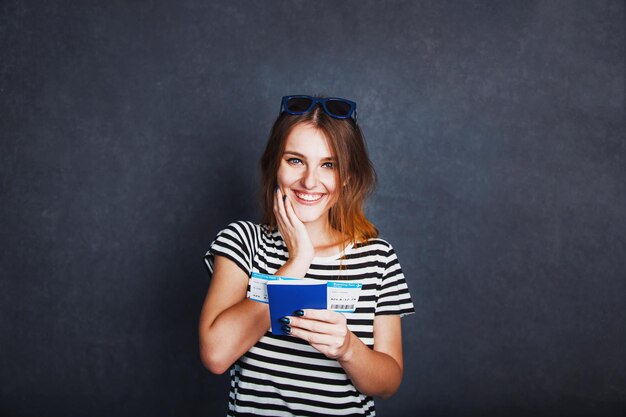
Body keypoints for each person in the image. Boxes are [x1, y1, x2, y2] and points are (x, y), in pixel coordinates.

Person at [199, 95, 414, 416]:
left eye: (329, 165)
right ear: (275, 166)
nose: (310, 181)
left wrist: (347, 348)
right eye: (295, 160)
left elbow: (388, 383)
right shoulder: (242, 242)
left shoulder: (378, 257)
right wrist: (297, 262)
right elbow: (216, 355)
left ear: (348, 177)